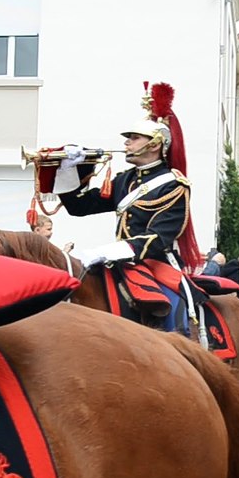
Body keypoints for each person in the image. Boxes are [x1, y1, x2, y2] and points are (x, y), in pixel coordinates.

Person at [48, 82, 201, 333]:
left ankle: (183, 346)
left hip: (156, 262)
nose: (127, 143)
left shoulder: (174, 185)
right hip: (122, 262)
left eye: (134, 138)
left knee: (172, 305)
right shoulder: (125, 180)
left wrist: (109, 251)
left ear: (154, 144)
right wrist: (70, 169)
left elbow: (158, 238)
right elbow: (80, 207)